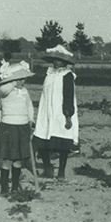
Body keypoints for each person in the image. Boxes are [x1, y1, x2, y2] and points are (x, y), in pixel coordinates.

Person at [33, 45, 78, 181]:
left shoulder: (67, 76)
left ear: (65, 62)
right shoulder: (49, 74)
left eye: (59, 60)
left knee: (63, 143)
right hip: (47, 113)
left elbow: (68, 96)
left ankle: (61, 172)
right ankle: (48, 168)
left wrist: (68, 116)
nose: (56, 62)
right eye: (55, 60)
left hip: (61, 112)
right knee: (42, 140)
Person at [0, 61, 34, 195]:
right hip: (9, 126)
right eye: (20, 78)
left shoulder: (25, 91)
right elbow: (3, 90)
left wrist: (30, 119)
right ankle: (4, 188)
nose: (23, 81)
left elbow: (29, 106)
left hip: (22, 127)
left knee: (18, 159)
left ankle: (15, 187)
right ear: (13, 79)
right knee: (7, 159)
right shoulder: (4, 90)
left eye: (24, 78)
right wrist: (12, 82)